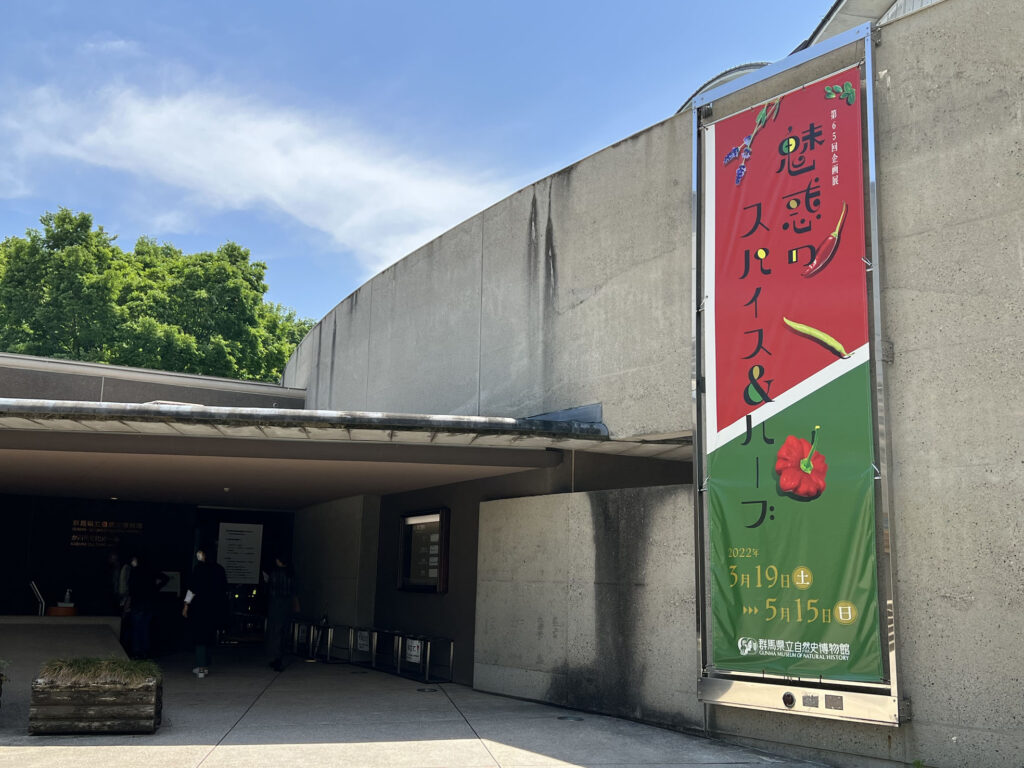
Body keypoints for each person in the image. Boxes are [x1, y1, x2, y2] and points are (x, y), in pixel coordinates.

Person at [182, 548, 228, 678]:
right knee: (208, 634)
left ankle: (201, 666)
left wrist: (186, 605)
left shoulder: (199, 569)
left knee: (199, 635)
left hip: (200, 606)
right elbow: (224, 588)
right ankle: (204, 663)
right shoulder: (219, 569)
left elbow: (192, 588)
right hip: (214, 607)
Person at [127, 554, 169, 658]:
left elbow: (131, 587)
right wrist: (156, 588)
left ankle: (137, 651)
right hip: (149, 602)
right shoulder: (150, 570)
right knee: (145, 627)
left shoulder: (135, 571)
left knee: (136, 628)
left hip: (138, 602)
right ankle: (145, 650)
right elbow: (165, 578)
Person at [264, 555, 299, 672]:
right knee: (284, 631)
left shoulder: (275, 574)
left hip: (277, 605)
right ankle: (280, 657)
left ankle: (276, 658)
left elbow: (272, 590)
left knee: (275, 632)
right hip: (287, 605)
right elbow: (293, 591)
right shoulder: (291, 574)